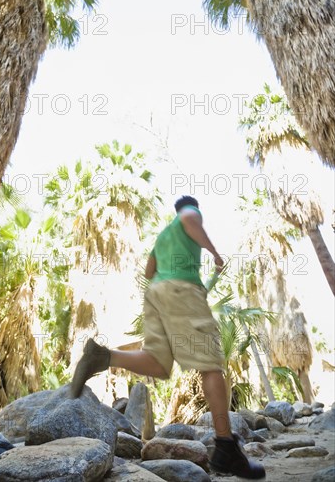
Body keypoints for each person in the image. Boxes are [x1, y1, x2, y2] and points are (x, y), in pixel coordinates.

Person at [71, 195, 265, 479]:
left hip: (156, 296)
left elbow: (150, 271)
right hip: (183, 290)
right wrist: (214, 253)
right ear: (191, 207)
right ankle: (225, 446)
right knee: (211, 365)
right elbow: (189, 219)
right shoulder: (189, 213)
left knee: (158, 363)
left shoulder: (163, 236)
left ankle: (103, 356)